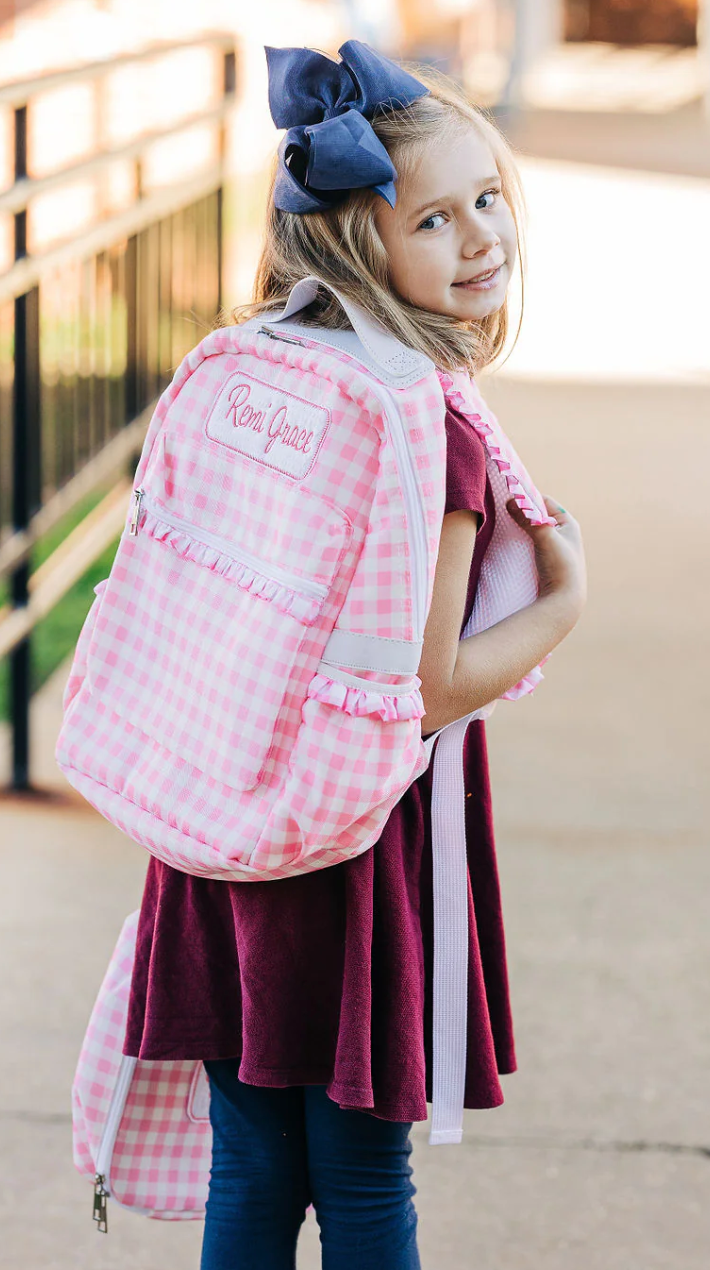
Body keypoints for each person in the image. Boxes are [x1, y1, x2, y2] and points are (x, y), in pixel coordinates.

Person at [123, 41, 587, 1270]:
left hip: (219, 820)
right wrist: (561, 599)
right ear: (354, 244)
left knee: (254, 1161)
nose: (480, 236)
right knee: (365, 1180)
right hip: (349, 846)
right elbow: (427, 686)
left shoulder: (257, 364)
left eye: (487, 198)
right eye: (434, 218)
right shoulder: (426, 427)